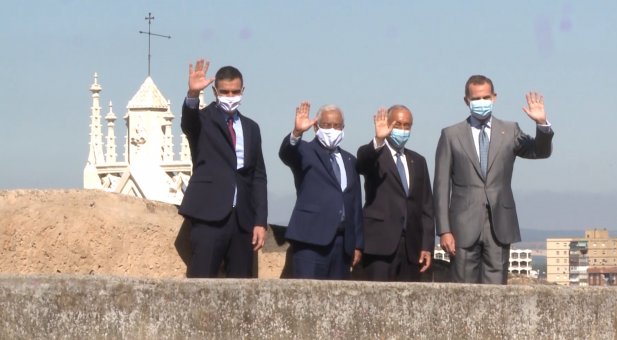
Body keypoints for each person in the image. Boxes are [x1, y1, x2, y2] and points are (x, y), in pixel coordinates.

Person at [433, 75, 554, 284]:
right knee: (463, 291)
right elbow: (441, 186)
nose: (481, 102)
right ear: (466, 101)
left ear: (494, 98)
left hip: (500, 224)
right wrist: (444, 230)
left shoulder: (510, 131)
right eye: (476, 98)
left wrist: (542, 124)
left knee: (497, 292)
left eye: (486, 97)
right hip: (462, 225)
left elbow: (540, 152)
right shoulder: (451, 135)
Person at [178, 59, 267, 278]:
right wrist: (192, 94)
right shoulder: (203, 120)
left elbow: (257, 176)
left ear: (242, 91)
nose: (230, 97)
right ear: (216, 91)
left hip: (242, 220)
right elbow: (188, 123)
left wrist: (260, 221)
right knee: (201, 283)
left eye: (235, 92)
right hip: (209, 216)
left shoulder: (251, 128)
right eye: (225, 92)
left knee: (241, 288)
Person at [279, 101, 363, 279]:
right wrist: (297, 133)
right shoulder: (304, 151)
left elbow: (354, 203)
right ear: (316, 127)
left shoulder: (349, 160)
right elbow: (286, 154)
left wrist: (357, 243)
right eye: (327, 125)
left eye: (337, 126)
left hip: (342, 243)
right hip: (311, 240)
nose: (332, 130)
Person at [356, 105, 434, 281]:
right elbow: (362, 163)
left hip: (411, 249)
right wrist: (378, 139)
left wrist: (427, 245)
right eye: (398, 125)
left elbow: (427, 206)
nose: (403, 130)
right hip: (380, 245)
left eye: (407, 126)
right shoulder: (374, 154)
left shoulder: (418, 161)